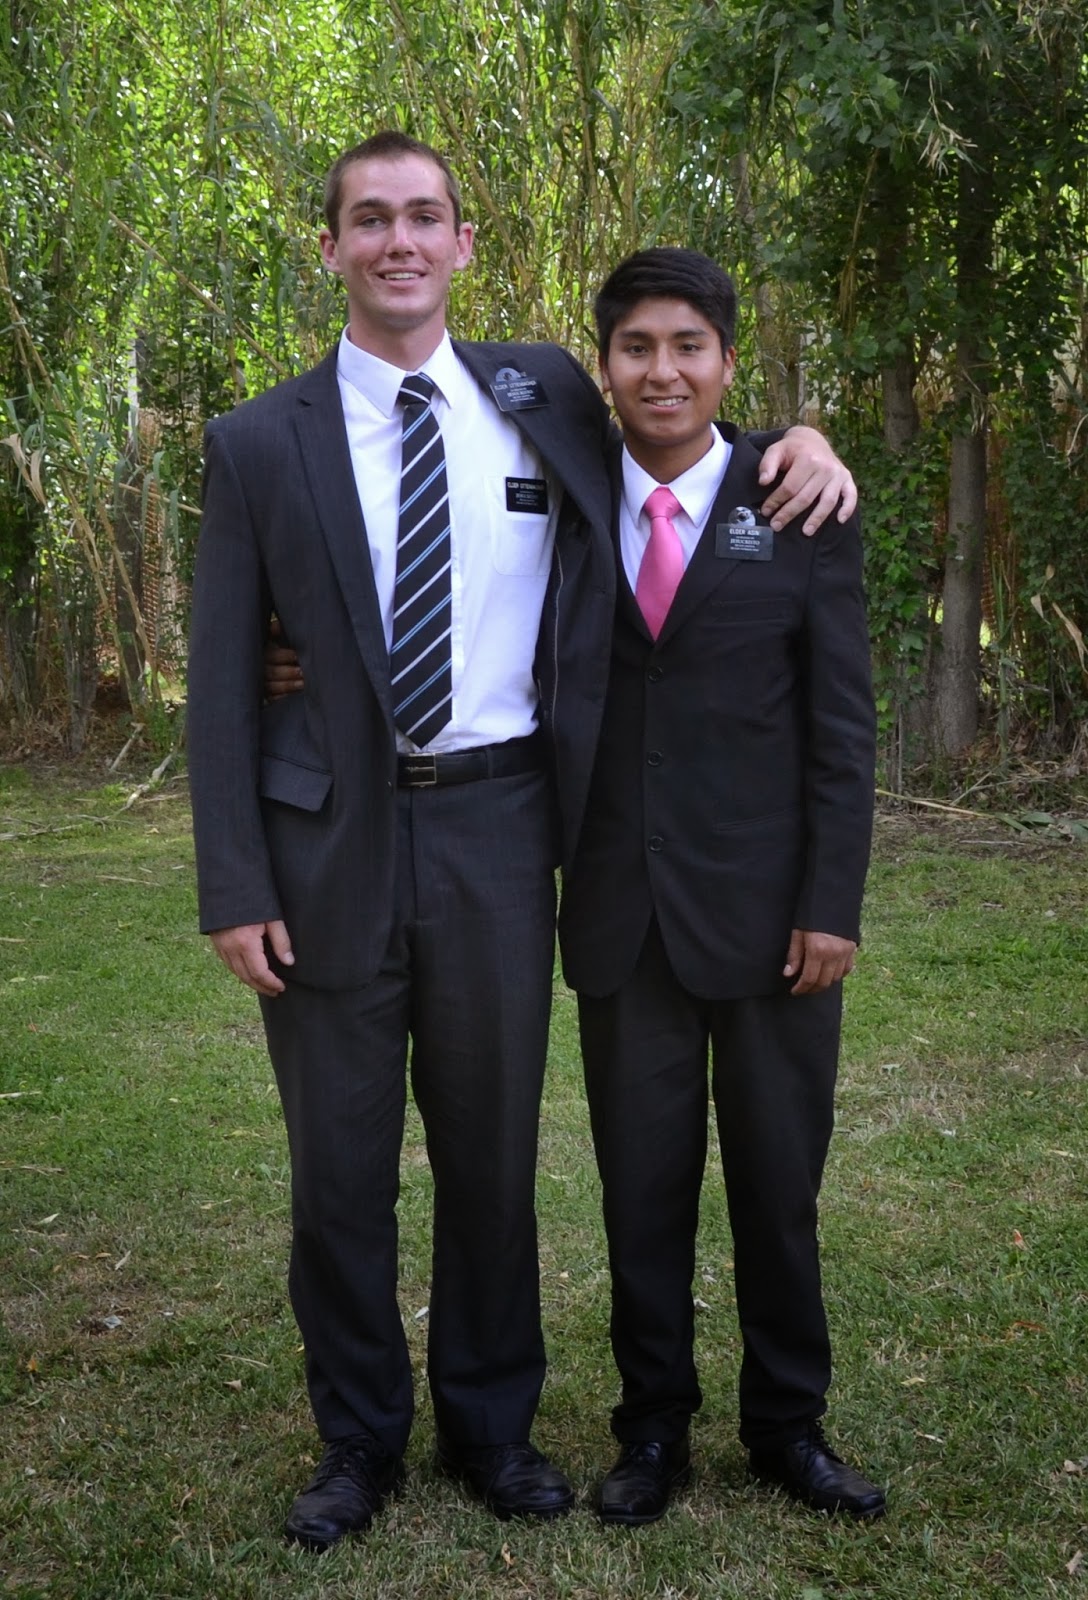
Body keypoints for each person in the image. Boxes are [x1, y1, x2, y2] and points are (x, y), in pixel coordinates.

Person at [188, 129, 855, 1553]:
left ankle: (492, 1425)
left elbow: (680, 429)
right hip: (327, 846)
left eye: (424, 216)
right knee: (338, 1166)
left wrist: (796, 441)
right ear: (331, 247)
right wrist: (233, 881)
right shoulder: (256, 443)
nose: (399, 241)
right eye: (371, 219)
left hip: (500, 825)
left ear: (463, 242)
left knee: (491, 1152)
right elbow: (225, 675)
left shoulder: (538, 390)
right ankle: (358, 1440)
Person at [556, 246, 883, 1526]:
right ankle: (650, 1429)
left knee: (775, 1187)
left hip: (769, 920)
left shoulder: (798, 503)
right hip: (618, 918)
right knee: (639, 1191)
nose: (661, 371)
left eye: (686, 346)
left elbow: (840, 729)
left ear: (726, 362)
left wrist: (830, 902)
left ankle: (787, 1424)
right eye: (635, 346)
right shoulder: (561, 493)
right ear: (602, 366)